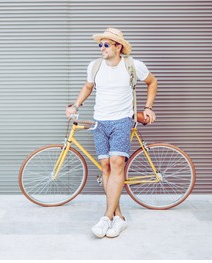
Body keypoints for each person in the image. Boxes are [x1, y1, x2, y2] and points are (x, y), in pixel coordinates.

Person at [65, 28, 157, 238]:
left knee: (116, 163)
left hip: (122, 120)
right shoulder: (95, 66)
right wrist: (76, 105)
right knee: (105, 166)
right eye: (100, 45)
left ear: (118, 46)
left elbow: (153, 82)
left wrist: (149, 107)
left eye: (106, 44)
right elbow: (88, 87)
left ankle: (106, 217)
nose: (102, 48)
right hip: (100, 121)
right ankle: (119, 217)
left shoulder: (133, 65)